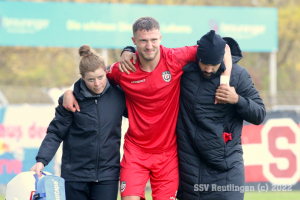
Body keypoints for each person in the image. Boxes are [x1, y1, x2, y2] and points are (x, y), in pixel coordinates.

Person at [62, 17, 232, 200]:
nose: (149, 45)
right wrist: (70, 91)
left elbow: (224, 47)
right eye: (143, 40)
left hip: (168, 153)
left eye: (153, 40)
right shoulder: (123, 70)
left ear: (160, 38)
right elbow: (94, 77)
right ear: (134, 41)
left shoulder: (175, 57)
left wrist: (225, 80)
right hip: (136, 151)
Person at [176, 30, 266, 200]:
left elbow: (260, 114)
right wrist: (128, 50)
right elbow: (154, 58)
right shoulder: (184, 73)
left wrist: (237, 100)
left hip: (227, 173)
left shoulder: (238, 75)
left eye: (214, 64)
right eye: (204, 63)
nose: (208, 69)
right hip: (190, 173)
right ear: (197, 57)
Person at [30, 45, 127, 200]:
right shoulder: (70, 100)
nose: (97, 84)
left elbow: (141, 113)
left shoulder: (118, 96)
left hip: (107, 176)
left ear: (106, 73)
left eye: (100, 77)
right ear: (82, 78)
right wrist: (41, 161)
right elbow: (55, 133)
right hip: (75, 175)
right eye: (91, 79)